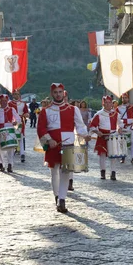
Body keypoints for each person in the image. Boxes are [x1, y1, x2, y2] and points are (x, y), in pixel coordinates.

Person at [37, 83, 90, 213]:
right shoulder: (45, 111)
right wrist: (49, 140)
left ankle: (62, 199)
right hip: (52, 145)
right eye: (55, 92)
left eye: (60, 92)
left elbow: (80, 125)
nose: (58, 94)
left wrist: (85, 135)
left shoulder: (73, 109)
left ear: (63, 93)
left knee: (65, 171)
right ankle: (56, 196)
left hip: (68, 143)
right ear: (52, 94)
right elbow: (41, 128)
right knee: (54, 171)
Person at [90, 95, 121, 180]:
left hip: (113, 136)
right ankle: (102, 172)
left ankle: (113, 173)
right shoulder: (99, 114)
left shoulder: (116, 114)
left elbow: (120, 124)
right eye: (106, 103)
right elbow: (92, 126)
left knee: (113, 155)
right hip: (102, 137)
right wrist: (97, 131)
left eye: (109, 102)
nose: (108, 104)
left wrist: (120, 129)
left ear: (112, 103)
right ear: (103, 104)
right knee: (102, 155)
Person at [10, 89, 30, 162]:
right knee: (12, 137)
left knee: (21, 137)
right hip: (13, 122)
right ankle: (11, 154)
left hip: (21, 122)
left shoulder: (23, 103)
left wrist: (26, 114)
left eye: (18, 94)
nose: (17, 95)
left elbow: (26, 112)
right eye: (15, 94)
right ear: (13, 95)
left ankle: (22, 154)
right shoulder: (10, 103)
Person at [117, 92, 133, 165]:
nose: (124, 99)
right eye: (123, 98)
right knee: (122, 142)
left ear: (128, 98)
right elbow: (117, 118)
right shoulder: (118, 108)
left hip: (130, 127)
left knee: (132, 142)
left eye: (125, 97)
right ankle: (123, 156)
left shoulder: (132, 107)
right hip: (123, 127)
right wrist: (119, 126)